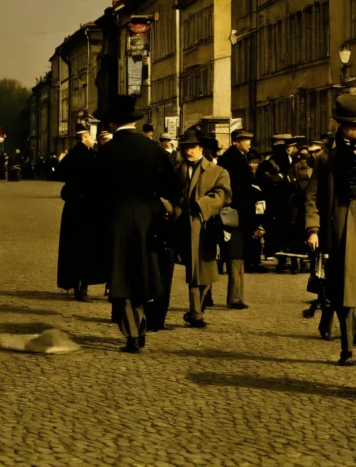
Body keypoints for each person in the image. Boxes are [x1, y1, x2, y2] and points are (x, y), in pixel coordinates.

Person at [94, 95, 179, 354]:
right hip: (147, 218)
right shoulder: (153, 148)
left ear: (111, 124)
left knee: (122, 277)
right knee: (143, 275)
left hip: (117, 219)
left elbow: (98, 191)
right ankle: (140, 326)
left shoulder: (107, 151)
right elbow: (170, 187)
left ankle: (133, 332)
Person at [305, 95, 356, 365]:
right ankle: (347, 346)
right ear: (343, 126)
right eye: (355, 126)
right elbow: (312, 196)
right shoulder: (326, 158)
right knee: (345, 284)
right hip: (342, 219)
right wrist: (313, 229)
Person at [173, 128, 232, 329]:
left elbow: (224, 194)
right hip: (183, 225)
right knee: (194, 271)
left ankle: (196, 310)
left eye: (192, 147)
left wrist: (204, 204)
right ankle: (196, 313)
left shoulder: (217, 172)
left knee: (206, 269)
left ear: (200, 148)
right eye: (185, 147)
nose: (188, 151)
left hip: (206, 225)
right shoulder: (178, 169)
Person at [217, 129, 259, 309]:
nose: (249, 143)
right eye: (245, 140)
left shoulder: (240, 157)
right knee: (235, 254)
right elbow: (238, 187)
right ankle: (234, 298)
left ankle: (238, 296)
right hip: (234, 212)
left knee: (238, 254)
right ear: (236, 142)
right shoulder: (231, 159)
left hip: (239, 212)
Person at [57, 125, 99, 300]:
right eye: (91, 136)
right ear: (84, 138)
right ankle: (84, 286)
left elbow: (60, 175)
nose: (94, 140)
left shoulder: (70, 157)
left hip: (73, 207)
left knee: (71, 245)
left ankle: (73, 282)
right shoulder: (91, 157)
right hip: (88, 207)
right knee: (87, 246)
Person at [255, 134, 298, 266]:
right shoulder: (288, 161)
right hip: (285, 201)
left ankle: (279, 256)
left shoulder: (269, 163)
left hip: (275, 202)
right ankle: (288, 257)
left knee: (277, 229)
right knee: (286, 229)